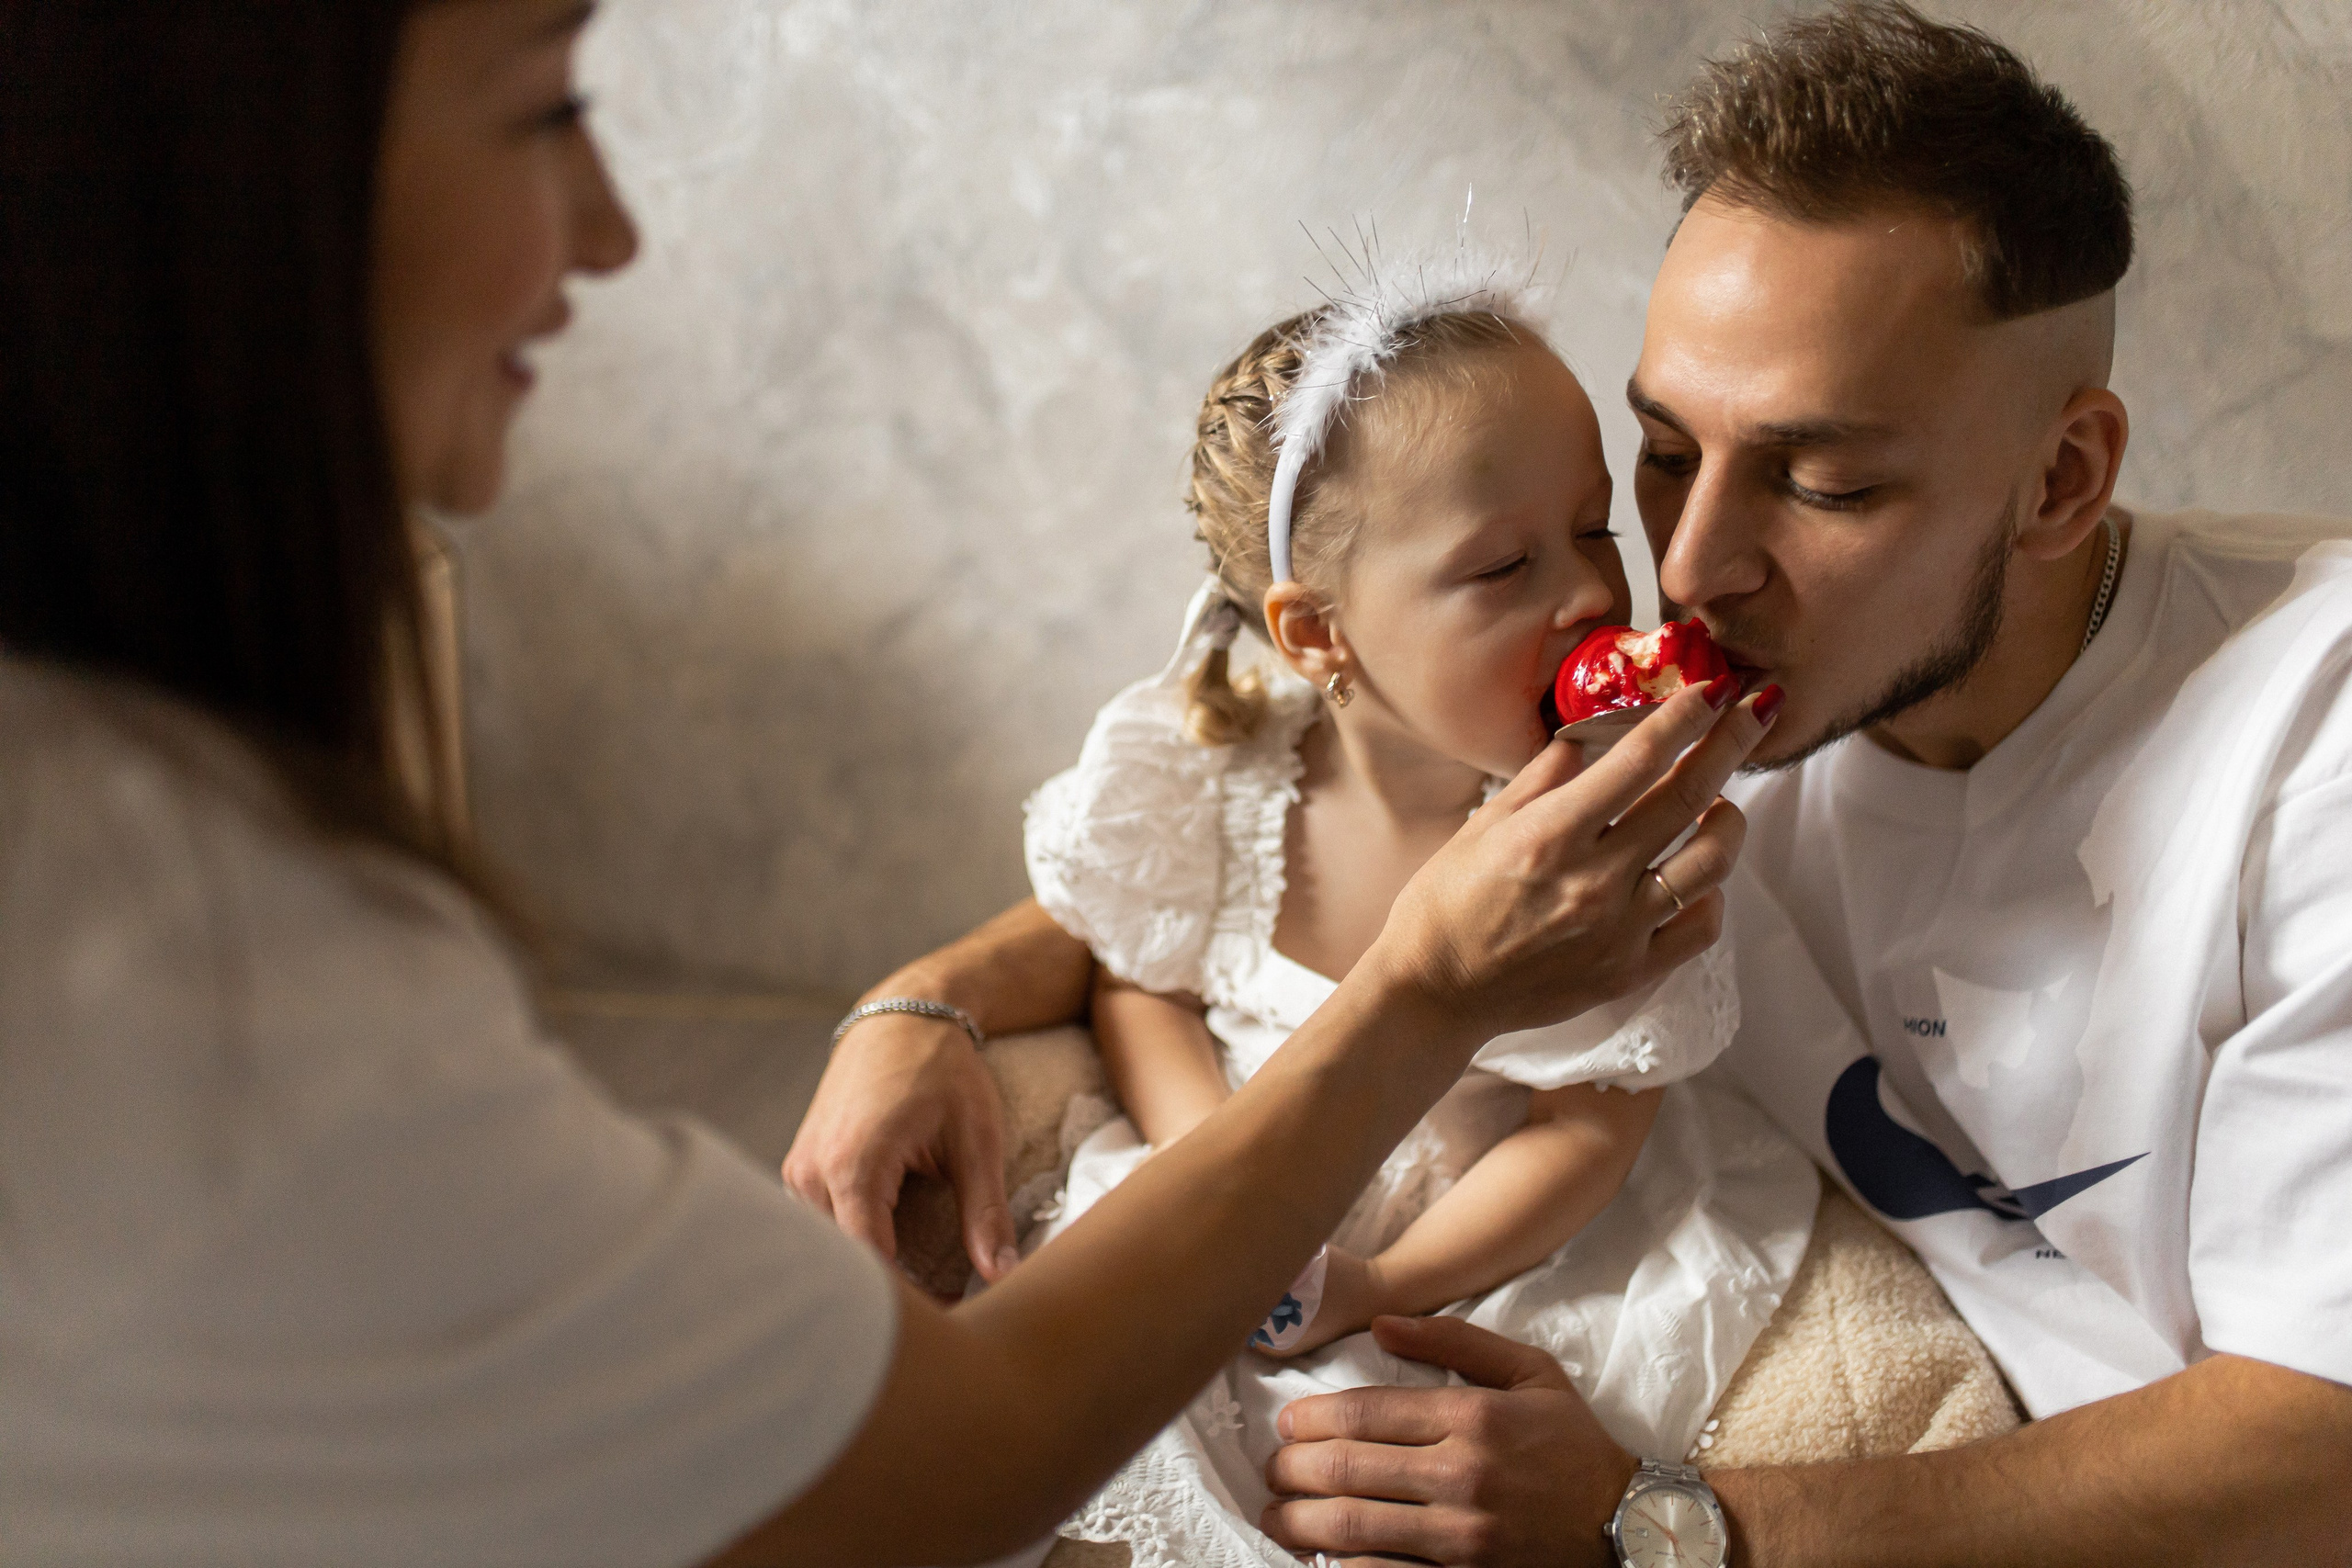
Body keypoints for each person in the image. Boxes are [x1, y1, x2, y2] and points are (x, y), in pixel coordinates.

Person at [0, 5, 1774, 1565]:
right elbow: (935, 1456)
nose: (615, 229)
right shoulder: (189, 969)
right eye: (546, 104)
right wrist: (1408, 1009)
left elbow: (1543, 1110)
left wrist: (918, 997)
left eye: (1596, 528)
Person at [787, 5, 2352, 1562]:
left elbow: (2323, 1448)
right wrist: (917, 1006)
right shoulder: (1697, 703)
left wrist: (1661, 1525)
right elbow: (1219, 872)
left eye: (1825, 484)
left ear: (2063, 478)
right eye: (1665, 452)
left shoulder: (2311, 736)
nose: (1687, 570)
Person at [1001, 277, 1808, 1564]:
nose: (1595, 599)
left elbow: (1589, 1131)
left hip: (1476, 1249)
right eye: (1503, 565)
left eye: (1596, 531)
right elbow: (1135, 985)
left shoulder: (1606, 850)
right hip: (1226, 1186)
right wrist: (1222, 1168)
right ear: (1320, 634)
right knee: (1084, 1435)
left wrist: (1380, 1285)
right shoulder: (1209, 776)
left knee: (1372, 1482)